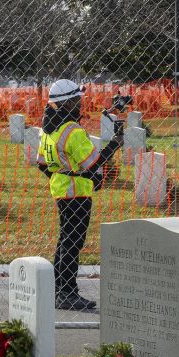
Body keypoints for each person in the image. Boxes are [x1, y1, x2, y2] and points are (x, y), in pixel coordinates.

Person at [37, 80, 122, 310]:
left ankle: (59, 290)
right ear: (66, 103)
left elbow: (42, 164)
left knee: (65, 240)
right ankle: (67, 292)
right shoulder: (72, 130)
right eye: (77, 100)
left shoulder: (48, 129)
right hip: (77, 194)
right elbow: (94, 163)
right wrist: (115, 144)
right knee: (73, 242)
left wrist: (64, 175)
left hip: (61, 190)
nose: (80, 103)